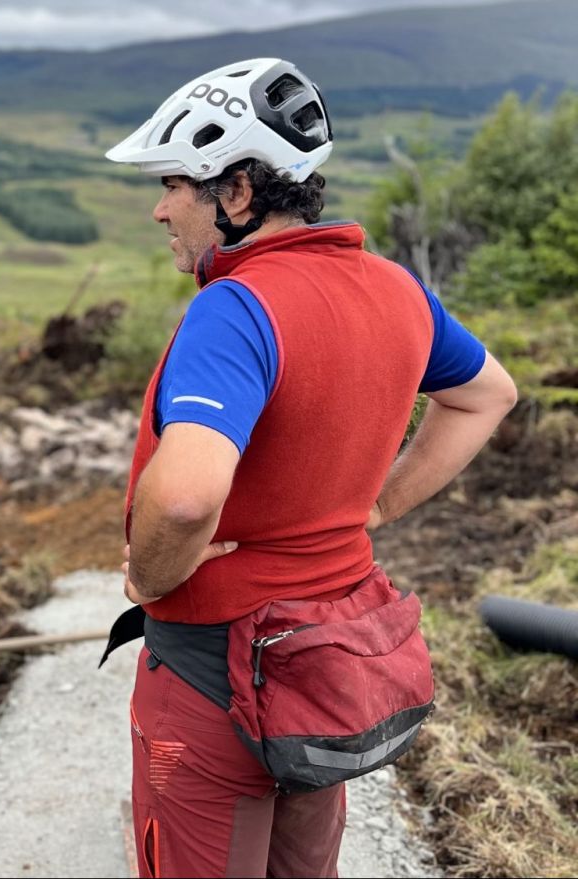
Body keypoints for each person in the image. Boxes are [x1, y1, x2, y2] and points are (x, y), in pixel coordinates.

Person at [101, 58, 518, 878]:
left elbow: (185, 499)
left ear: (238, 193)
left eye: (176, 184)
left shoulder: (233, 309)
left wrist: (148, 579)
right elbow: (487, 394)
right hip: (323, 667)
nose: (159, 208)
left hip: (210, 675)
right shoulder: (397, 290)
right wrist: (381, 507)